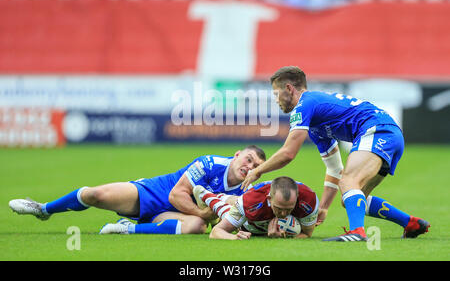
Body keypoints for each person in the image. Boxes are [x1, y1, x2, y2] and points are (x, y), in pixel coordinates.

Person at [241, 66, 430, 242]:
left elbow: (288, 153)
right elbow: (334, 168)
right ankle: (410, 223)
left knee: (349, 182)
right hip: (390, 135)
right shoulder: (316, 124)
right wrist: (323, 207)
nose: (276, 100)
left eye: (276, 94)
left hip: (377, 131)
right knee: (351, 197)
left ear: (289, 88)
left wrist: (257, 171)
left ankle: (357, 232)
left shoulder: (305, 104)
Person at [9, 145, 266, 235]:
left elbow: (236, 220)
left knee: (196, 229)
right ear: (237, 155)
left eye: (256, 165)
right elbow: (176, 195)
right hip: (155, 192)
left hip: (177, 215)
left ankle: (127, 228)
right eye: (248, 159)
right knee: (95, 195)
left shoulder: (247, 190)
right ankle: (44, 209)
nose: (249, 166)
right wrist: (205, 213)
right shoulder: (210, 163)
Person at [193, 176, 318, 240]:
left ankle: (221, 197)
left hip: (252, 206)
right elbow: (216, 232)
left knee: (237, 204)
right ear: (269, 199)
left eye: (289, 209)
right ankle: (205, 195)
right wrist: (234, 237)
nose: (284, 213)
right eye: (279, 208)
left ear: (296, 198)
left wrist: (280, 237)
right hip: (248, 221)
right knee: (230, 213)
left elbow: (307, 234)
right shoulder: (250, 202)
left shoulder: (308, 201)